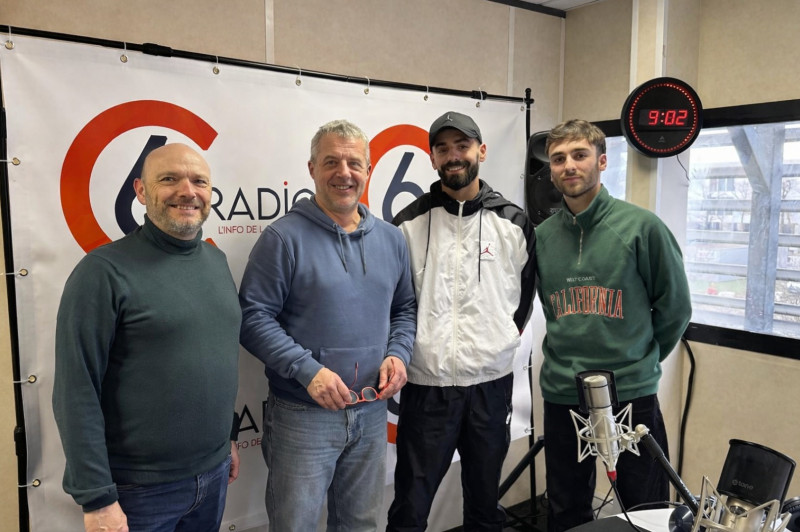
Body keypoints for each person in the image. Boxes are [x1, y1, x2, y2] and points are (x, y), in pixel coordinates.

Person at [238, 119, 417, 531]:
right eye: (331, 161)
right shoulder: (283, 239)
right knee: (295, 525)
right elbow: (253, 318)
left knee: (362, 525)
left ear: (368, 171)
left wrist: (398, 353)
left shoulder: (391, 239)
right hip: (302, 416)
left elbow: (405, 308)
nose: (344, 172)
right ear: (312, 169)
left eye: (355, 162)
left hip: (372, 412)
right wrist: (308, 371)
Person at [53, 143, 242, 532]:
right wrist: (97, 498)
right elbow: (76, 389)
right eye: (169, 179)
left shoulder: (216, 261)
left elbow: (216, 359)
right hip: (138, 491)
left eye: (199, 181)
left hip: (214, 474)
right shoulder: (102, 272)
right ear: (140, 191)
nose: (187, 191)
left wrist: (228, 439)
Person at [535, 119, 692, 531]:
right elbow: (550, 310)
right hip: (563, 394)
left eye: (579, 155)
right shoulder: (542, 238)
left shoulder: (643, 228)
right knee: (566, 508)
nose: (569, 166)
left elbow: (675, 309)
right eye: (559, 158)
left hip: (630, 395)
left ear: (601, 161)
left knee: (647, 508)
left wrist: (638, 357)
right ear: (550, 169)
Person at [386, 111, 536, 531]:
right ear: (432, 158)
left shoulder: (514, 223)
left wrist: (499, 340)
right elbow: (395, 303)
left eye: (462, 146)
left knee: (485, 506)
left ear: (481, 151)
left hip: (491, 387)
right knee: (410, 508)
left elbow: (522, 303)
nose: (453, 156)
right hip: (428, 387)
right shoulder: (406, 225)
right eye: (443, 148)